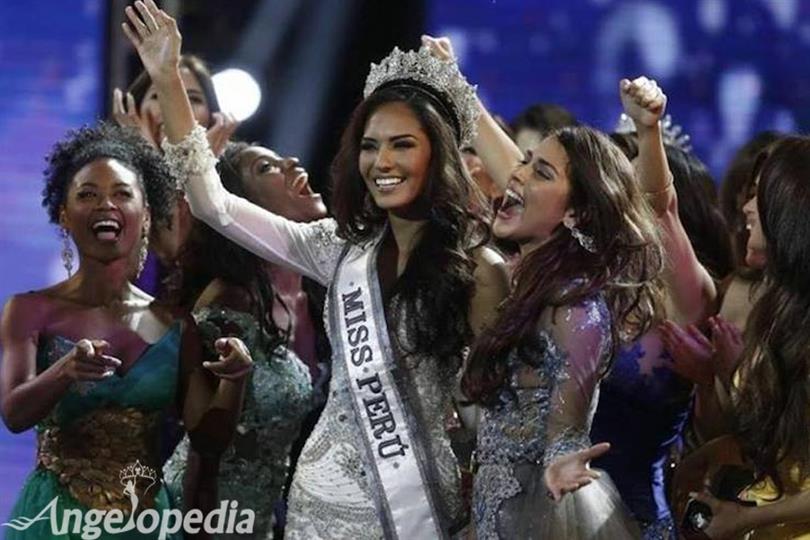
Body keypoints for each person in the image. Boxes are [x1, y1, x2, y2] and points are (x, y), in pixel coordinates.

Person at [121, 2, 509, 538]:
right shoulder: (340, 250)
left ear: (437, 155)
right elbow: (215, 205)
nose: (383, 162)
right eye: (371, 146)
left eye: (403, 145)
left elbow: (498, 413)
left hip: (417, 500)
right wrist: (166, 77)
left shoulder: (479, 267)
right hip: (317, 498)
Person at [417, 36, 662, 539]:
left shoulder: (578, 309)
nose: (518, 175)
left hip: (536, 518)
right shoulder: (530, 282)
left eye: (539, 170)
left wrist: (562, 464)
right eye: (524, 162)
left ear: (574, 213)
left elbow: (565, 433)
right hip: (488, 512)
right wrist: (452, 80)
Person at [0, 121, 253, 539]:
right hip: (54, 523)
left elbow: (209, 441)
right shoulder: (30, 310)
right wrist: (64, 372)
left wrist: (235, 383)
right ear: (64, 215)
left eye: (121, 193)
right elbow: (13, 413)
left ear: (146, 213)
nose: (106, 205)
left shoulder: (175, 325)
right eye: (88, 195)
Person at [149, 141, 317, 538]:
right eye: (266, 167)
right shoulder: (229, 301)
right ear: (239, 208)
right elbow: (203, 448)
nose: (292, 160)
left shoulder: (319, 294)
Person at [592, 79, 734, 538]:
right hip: (547, 510)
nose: (609, 198)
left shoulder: (687, 299)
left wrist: (647, 131)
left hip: (630, 523)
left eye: (623, 183)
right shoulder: (582, 282)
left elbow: (659, 208)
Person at [681, 137, 810, 539]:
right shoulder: (779, 308)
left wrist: (745, 519)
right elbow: (783, 446)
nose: (746, 207)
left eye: (760, 195)